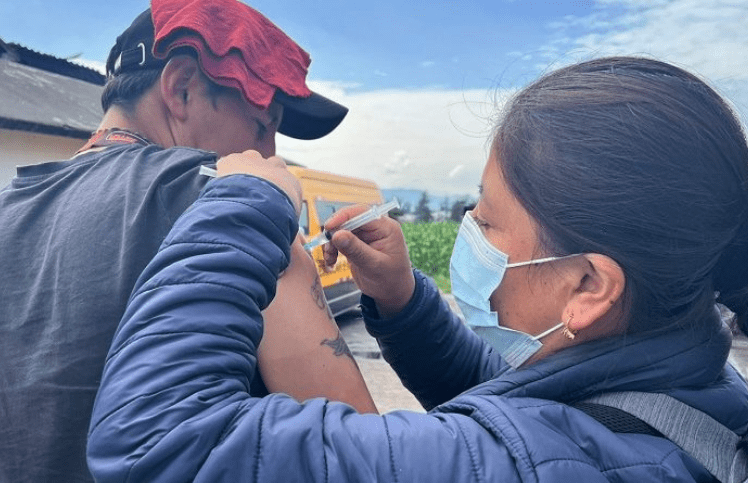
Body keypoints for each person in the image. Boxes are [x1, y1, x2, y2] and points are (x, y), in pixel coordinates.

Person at [87, 56, 748, 481]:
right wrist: (404, 300)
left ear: (588, 286)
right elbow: (521, 399)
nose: (469, 228)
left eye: (488, 219)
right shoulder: (688, 385)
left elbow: (157, 440)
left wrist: (241, 207)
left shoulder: (527, 466)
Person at [0, 1, 377, 482]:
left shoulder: (8, 209)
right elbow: (362, 459)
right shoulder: (234, 207)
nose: (271, 154)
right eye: (263, 125)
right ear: (181, 88)